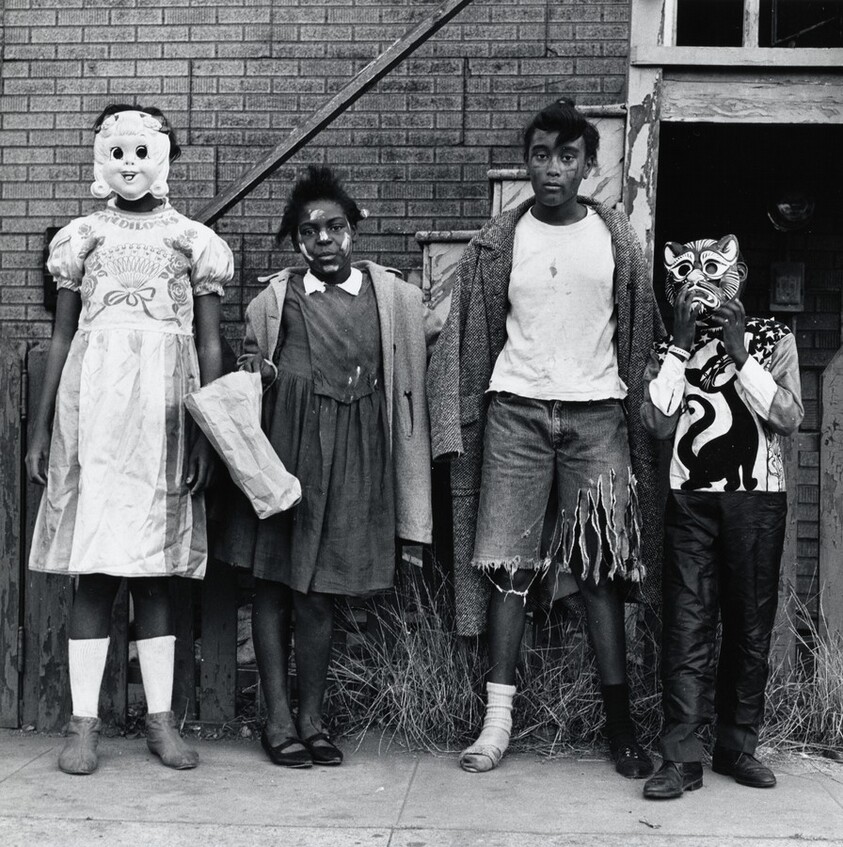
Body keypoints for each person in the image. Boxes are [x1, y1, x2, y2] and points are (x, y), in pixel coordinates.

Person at [426, 100, 664, 776]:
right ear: (526, 160)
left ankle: (620, 727)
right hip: (515, 416)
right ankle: (494, 723)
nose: (552, 168)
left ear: (589, 165)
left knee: (599, 572)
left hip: (597, 418)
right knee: (508, 568)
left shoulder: (615, 239)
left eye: (567, 156)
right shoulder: (498, 242)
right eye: (540, 154)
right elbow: (469, 336)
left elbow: (639, 331)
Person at [26, 105, 233, 774]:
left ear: (164, 157)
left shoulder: (192, 240)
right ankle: (83, 723)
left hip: (164, 415)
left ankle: (161, 720)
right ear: (99, 159)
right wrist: (40, 426)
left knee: (156, 573)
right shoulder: (80, 237)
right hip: (95, 417)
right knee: (95, 569)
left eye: (142, 151)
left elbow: (207, 341)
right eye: (117, 152)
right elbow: (62, 336)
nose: (130, 165)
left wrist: (209, 431)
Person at [226, 165, 432, 768]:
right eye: (310, 231)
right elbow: (253, 365)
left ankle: (313, 719)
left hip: (354, 456)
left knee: (318, 592)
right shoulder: (276, 301)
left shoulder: (390, 297)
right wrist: (255, 372)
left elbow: (413, 364)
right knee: (273, 584)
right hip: (286, 453)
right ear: (297, 242)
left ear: (354, 232)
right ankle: (277, 719)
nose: (324, 240)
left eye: (335, 227)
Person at [641, 235, 803, 799]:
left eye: (711, 271)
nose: (697, 283)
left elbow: (786, 417)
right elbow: (659, 425)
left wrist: (739, 353)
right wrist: (681, 346)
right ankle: (680, 758)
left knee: (749, 626)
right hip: (690, 498)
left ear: (740, 272)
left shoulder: (773, 338)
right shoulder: (668, 348)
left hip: (757, 500)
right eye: (684, 273)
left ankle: (738, 749)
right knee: (686, 626)